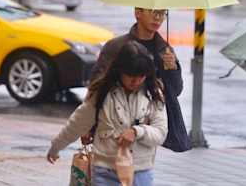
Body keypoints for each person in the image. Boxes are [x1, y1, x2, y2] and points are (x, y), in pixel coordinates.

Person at [47, 42, 168, 186]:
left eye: (141, 76)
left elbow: (161, 133)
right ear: (120, 70)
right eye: (130, 75)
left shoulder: (153, 95)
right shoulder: (102, 92)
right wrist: (56, 147)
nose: (135, 81)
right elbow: (77, 124)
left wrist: (137, 132)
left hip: (140, 172)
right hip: (106, 171)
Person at [81, 8, 191, 152]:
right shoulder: (116, 46)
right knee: (108, 168)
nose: (158, 18)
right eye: (153, 12)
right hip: (113, 121)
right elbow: (97, 87)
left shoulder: (165, 51)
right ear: (138, 12)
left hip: (144, 125)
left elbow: (174, 92)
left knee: (140, 168)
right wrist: (89, 126)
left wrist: (173, 69)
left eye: (162, 13)